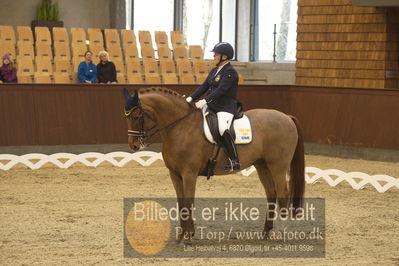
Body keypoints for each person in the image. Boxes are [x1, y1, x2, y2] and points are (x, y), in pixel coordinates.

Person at [186, 42, 240, 171]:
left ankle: (234, 160)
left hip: (225, 107)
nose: (214, 57)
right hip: (212, 105)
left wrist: (204, 101)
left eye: (216, 54)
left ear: (224, 57)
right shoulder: (215, 70)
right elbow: (204, 86)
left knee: (222, 129)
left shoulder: (230, 72)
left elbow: (221, 90)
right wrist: (191, 98)